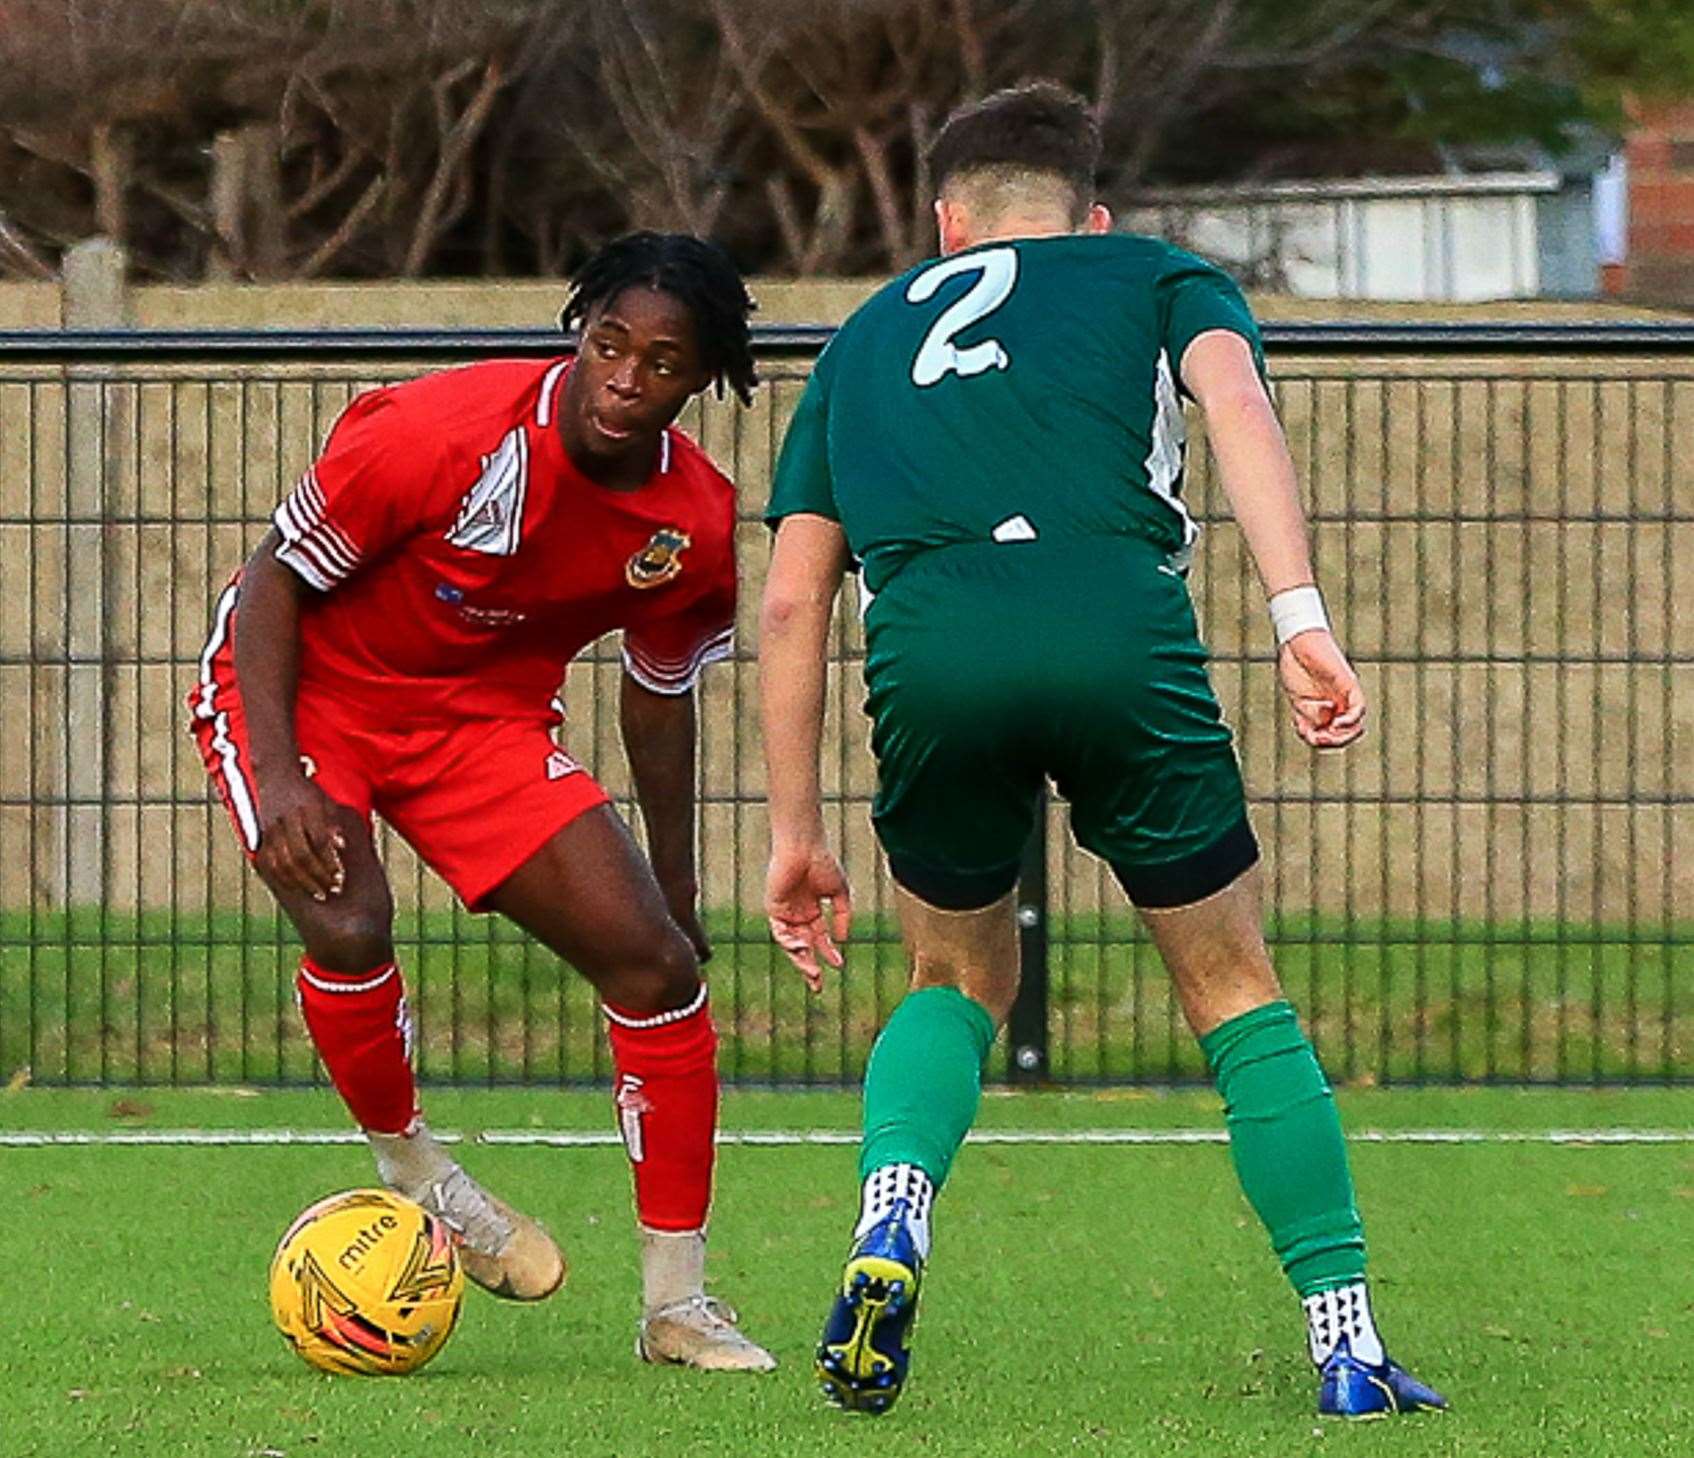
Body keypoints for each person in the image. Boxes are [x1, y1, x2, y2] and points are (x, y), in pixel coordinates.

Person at [759, 83, 1445, 1418]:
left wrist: (795, 832)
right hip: (1113, 624)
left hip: (933, 645)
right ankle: (1345, 1345)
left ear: (945, 223)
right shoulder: (1155, 274)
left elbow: (790, 598)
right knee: (1232, 985)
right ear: (1094, 214)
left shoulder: (859, 338)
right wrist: (1297, 616)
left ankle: (893, 1216)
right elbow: (1234, 399)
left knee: (954, 977)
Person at [188, 231, 773, 1373]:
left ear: (700, 379)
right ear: (578, 332)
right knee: (349, 920)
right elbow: (271, 581)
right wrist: (277, 775)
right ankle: (418, 1173)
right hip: (309, 695)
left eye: (659, 361)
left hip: (479, 725)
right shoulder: (439, 432)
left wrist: (679, 879)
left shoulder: (690, 523)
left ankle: (677, 1307)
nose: (623, 377)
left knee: (657, 968)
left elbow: (658, 702)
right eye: (608, 343)